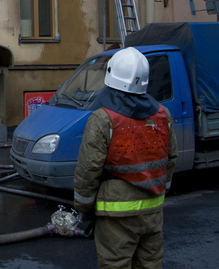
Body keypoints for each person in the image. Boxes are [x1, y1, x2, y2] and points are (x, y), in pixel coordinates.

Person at [74, 47, 178, 269]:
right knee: (151, 264)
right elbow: (170, 159)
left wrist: (84, 207)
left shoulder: (102, 119)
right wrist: (161, 189)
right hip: (153, 210)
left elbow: (88, 170)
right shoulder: (163, 115)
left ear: (111, 75)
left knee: (116, 264)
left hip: (116, 214)